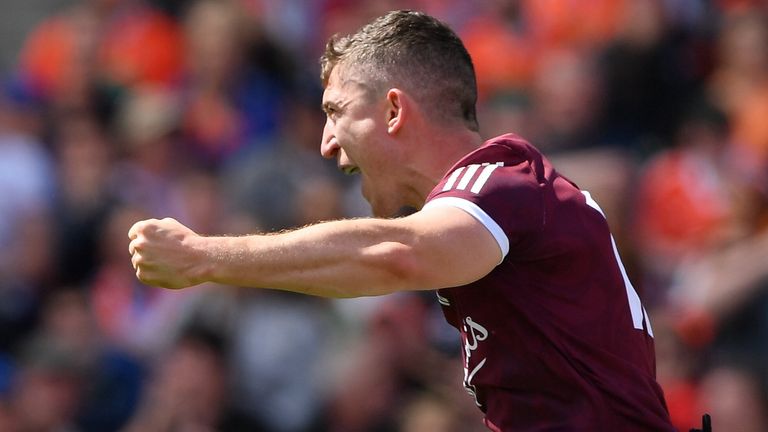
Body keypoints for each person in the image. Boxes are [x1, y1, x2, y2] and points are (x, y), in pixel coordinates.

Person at [128, 10, 675, 431]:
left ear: (393, 111)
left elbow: (393, 255)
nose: (325, 144)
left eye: (335, 112)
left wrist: (203, 257)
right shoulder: (503, 198)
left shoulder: (502, 183)